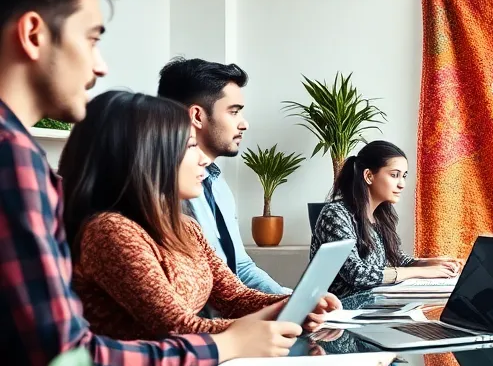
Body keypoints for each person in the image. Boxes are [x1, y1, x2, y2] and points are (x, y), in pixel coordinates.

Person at [0, 0, 299, 366]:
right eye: (92, 39)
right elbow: (66, 363)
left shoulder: (25, 159)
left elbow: (230, 287)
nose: (100, 67)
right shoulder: (15, 162)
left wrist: (281, 308)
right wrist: (230, 342)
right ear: (34, 34)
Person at [59, 91, 336, 340]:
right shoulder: (112, 231)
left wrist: (291, 305)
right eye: (191, 146)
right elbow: (176, 326)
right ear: (147, 156)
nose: (203, 159)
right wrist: (266, 326)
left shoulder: (186, 227)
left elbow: (234, 297)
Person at [158, 57, 289, 295]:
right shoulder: (161, 189)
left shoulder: (217, 183)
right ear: (197, 116)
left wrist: (289, 299)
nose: (244, 124)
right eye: (234, 112)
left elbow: (239, 268)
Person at [310, 140, 460, 299]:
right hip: (340, 310)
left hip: (373, 305)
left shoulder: (380, 216)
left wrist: (431, 263)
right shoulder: (335, 214)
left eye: (404, 176)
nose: (402, 184)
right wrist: (422, 272)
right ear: (368, 176)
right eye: (394, 175)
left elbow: (397, 259)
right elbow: (357, 275)